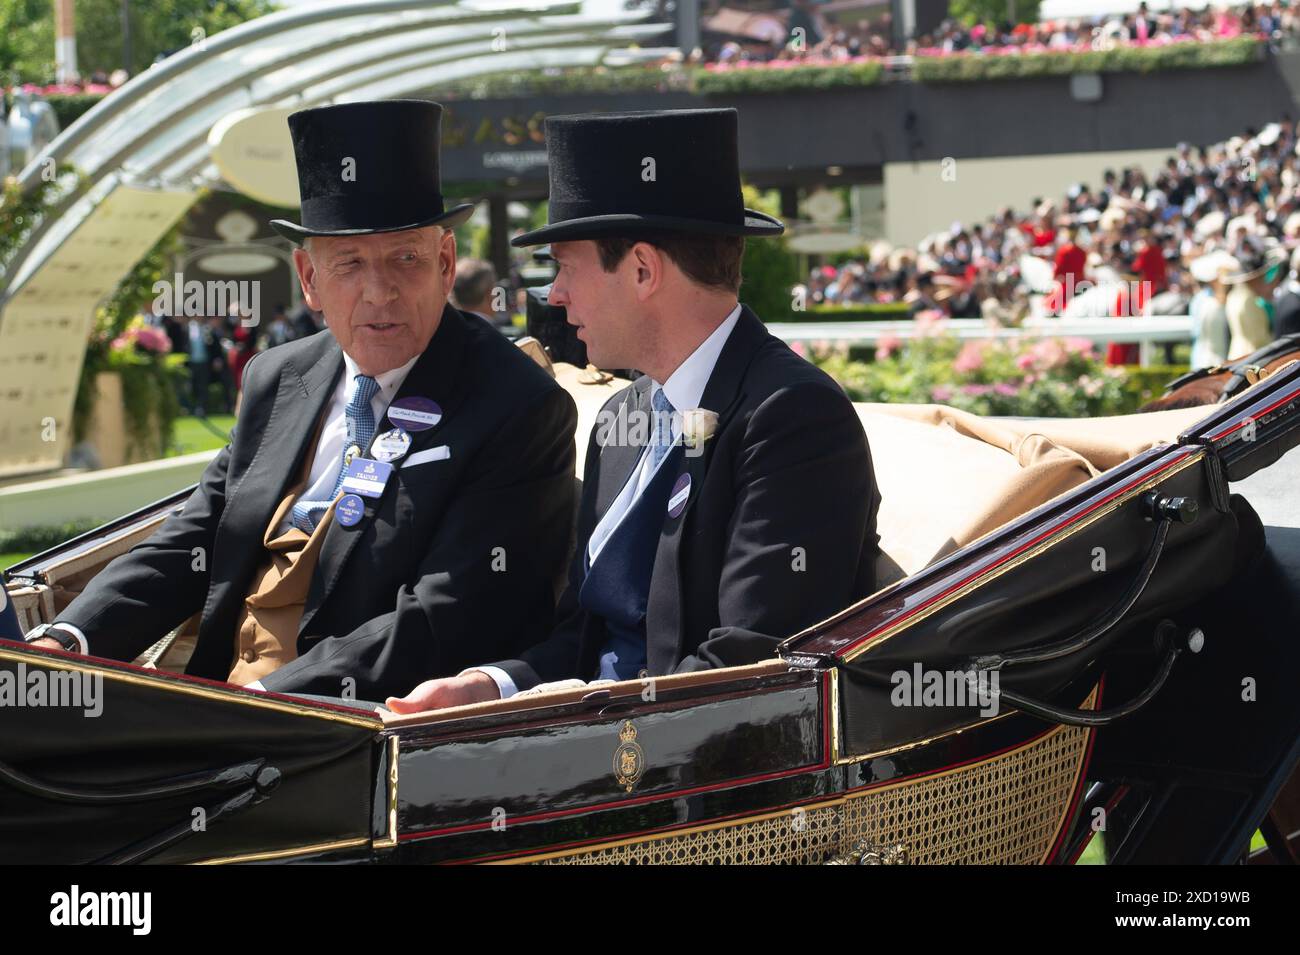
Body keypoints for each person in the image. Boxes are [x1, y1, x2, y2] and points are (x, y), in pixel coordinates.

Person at [24, 100, 577, 702]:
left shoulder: (515, 404)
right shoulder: (279, 377)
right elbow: (198, 536)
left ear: (445, 264)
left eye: (405, 258)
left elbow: (452, 610)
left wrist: (270, 702)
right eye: (349, 264)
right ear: (309, 280)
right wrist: (70, 641)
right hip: (213, 702)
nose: (379, 291)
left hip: (346, 727)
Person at [386, 108, 881, 713]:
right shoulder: (624, 418)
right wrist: (492, 684)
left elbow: (754, 666)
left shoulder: (793, 418)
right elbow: (584, 633)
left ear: (643, 270)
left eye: (565, 265)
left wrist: (579, 710)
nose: (554, 294)